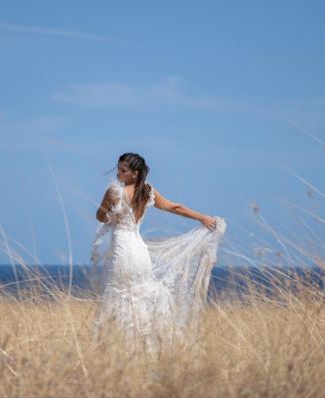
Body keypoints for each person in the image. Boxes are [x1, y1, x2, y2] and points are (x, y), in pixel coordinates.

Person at [91, 152, 227, 357]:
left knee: (118, 297)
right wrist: (202, 218)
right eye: (118, 169)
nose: (118, 173)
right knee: (139, 297)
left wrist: (106, 208)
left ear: (135, 174)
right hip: (140, 251)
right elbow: (175, 207)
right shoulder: (147, 191)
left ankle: (119, 351)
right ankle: (145, 348)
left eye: (123, 170)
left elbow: (100, 216)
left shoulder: (114, 191)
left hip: (123, 253)